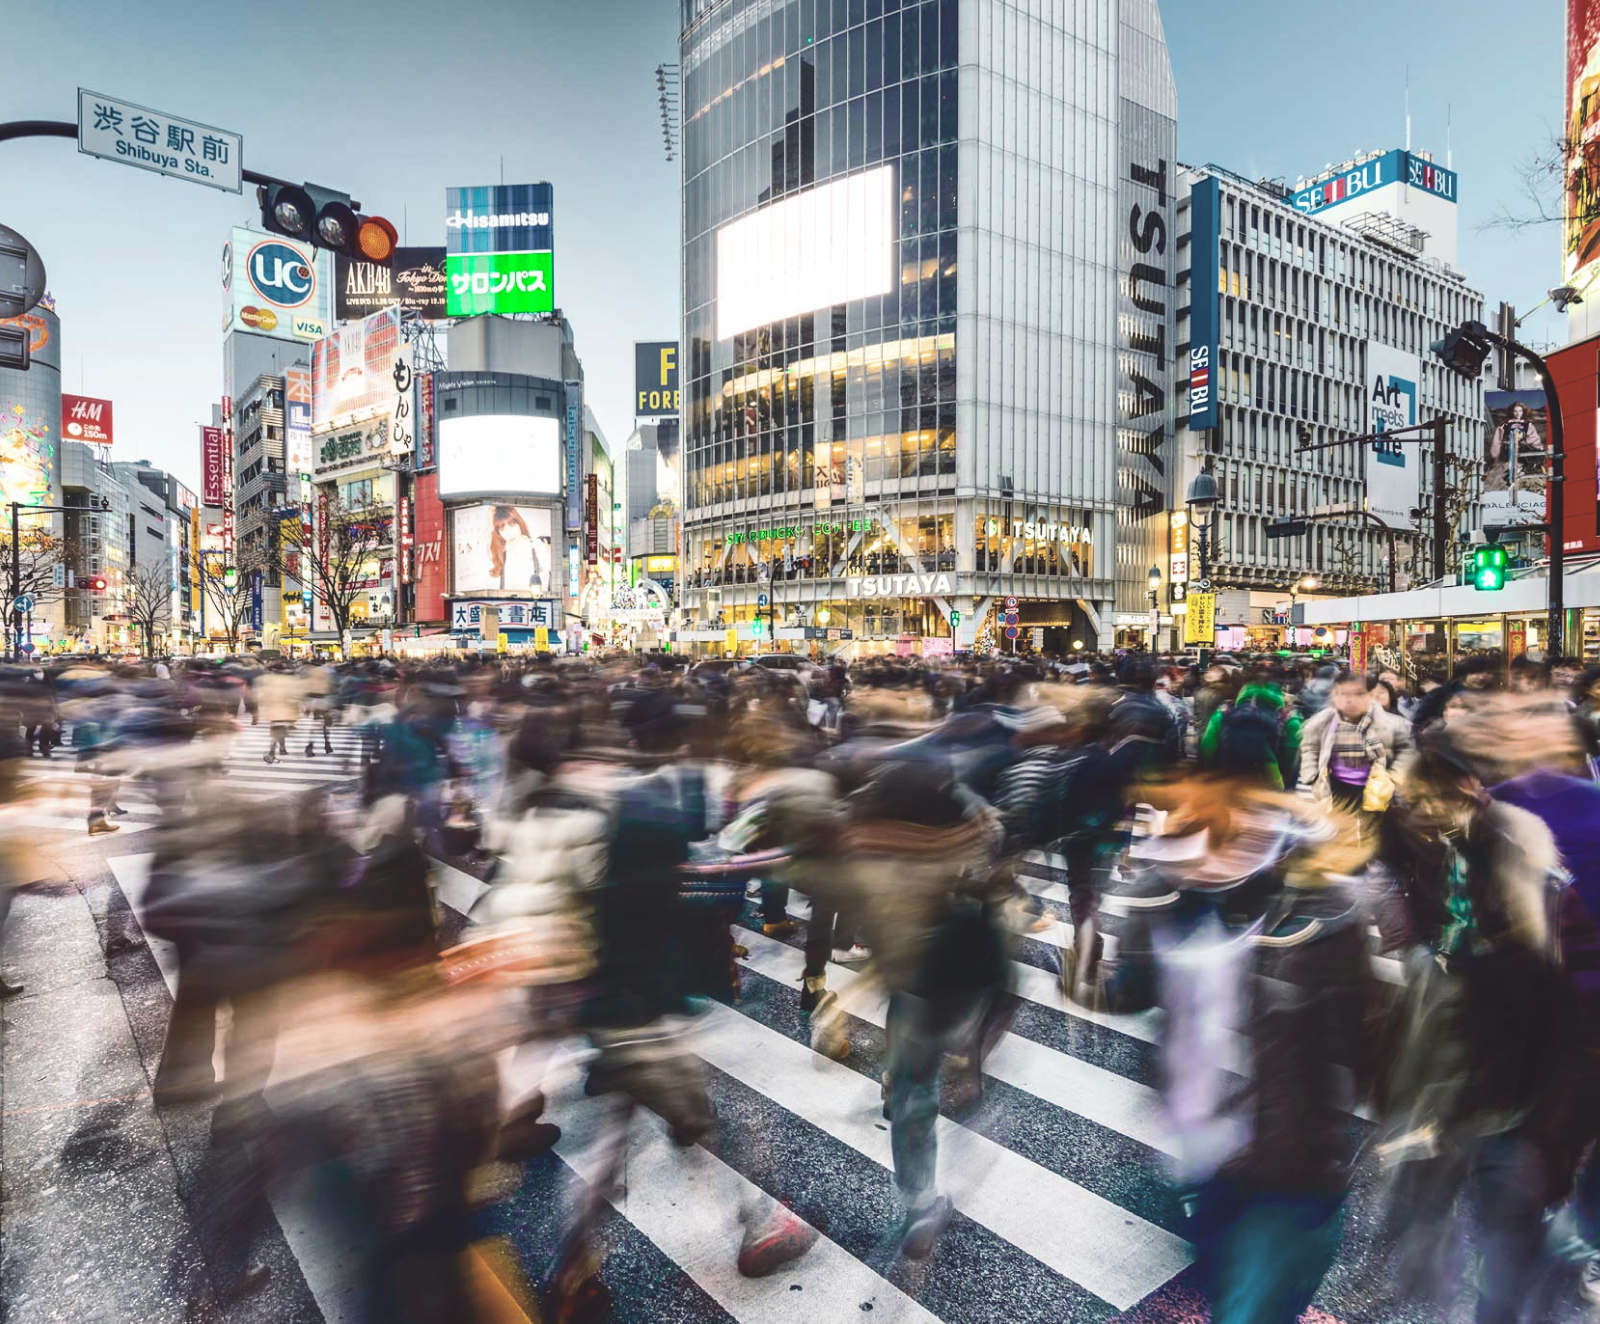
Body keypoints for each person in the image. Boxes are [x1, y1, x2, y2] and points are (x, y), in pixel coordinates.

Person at [1372, 723, 1569, 1323]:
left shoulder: (1517, 848)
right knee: (1432, 1166)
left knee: (1507, 1203)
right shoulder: (1428, 830)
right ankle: (1428, 1268)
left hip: (1512, 1063)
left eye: (1429, 799)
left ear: (1468, 786)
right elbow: (1390, 870)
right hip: (1454, 1017)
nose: (1420, 813)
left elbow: (1554, 988)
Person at [1297, 671, 1408, 812]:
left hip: (1378, 790)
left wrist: (1393, 778)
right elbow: (1311, 746)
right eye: (1344, 694)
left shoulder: (1390, 723)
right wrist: (1310, 772)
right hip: (1336, 787)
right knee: (1340, 828)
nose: (1351, 700)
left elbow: (1407, 750)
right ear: (1334, 696)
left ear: (1369, 696)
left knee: (1376, 830)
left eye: (1359, 694)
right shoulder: (1322, 723)